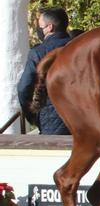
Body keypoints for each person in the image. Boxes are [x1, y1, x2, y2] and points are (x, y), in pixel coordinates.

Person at [16, 7, 72, 135]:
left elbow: (24, 88)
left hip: (51, 121)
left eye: (40, 25)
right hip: (84, 120)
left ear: (49, 27)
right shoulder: (81, 48)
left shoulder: (39, 52)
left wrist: (32, 115)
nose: (38, 29)